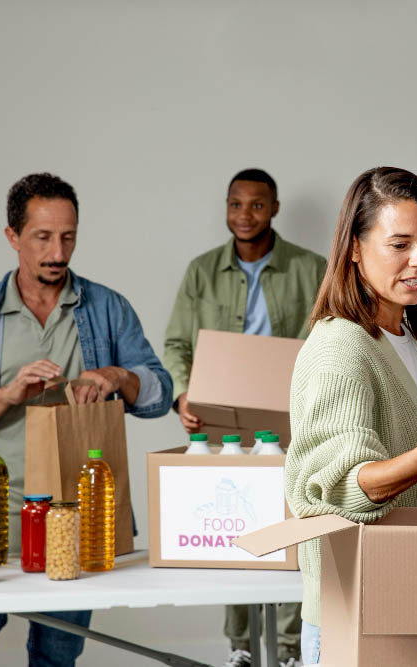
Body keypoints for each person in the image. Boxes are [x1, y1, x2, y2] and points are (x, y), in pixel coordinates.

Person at [0, 172, 173, 666]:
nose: (58, 251)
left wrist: (118, 376)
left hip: (73, 518)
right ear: (12, 237)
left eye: (68, 236)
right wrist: (8, 393)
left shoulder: (107, 308)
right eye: (42, 237)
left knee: (58, 658)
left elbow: (159, 393)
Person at [284, 167, 417, 666]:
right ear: (355, 248)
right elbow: (340, 489)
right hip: (355, 612)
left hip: (410, 600)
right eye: (399, 244)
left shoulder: (409, 342)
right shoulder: (340, 348)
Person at [162, 168, 326, 667]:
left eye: (257, 205)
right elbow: (175, 344)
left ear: (274, 209)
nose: (245, 215)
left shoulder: (311, 267)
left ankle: (291, 650)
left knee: (290, 531)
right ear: (226, 208)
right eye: (236, 204)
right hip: (221, 422)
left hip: (290, 419)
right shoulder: (201, 271)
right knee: (233, 530)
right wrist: (183, 395)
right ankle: (240, 648)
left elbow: (328, 339)